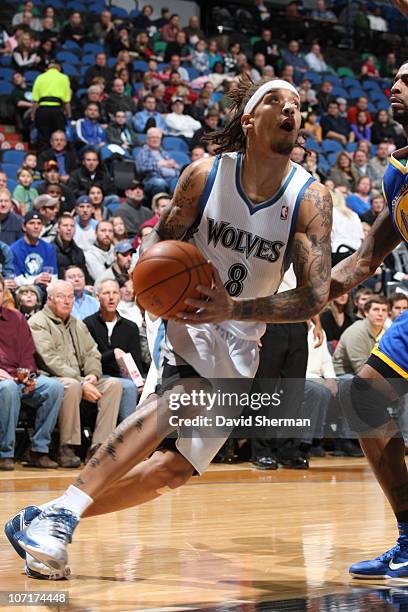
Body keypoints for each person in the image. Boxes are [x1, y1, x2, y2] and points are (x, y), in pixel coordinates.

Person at [7, 76, 334, 578]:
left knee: (177, 468)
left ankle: (46, 517)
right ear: (248, 118)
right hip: (190, 323)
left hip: (243, 340)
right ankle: (64, 513)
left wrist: (236, 311)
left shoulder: (309, 198)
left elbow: (315, 295)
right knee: (184, 398)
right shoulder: (204, 176)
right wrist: (154, 290)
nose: (290, 108)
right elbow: (158, 245)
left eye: (297, 102)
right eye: (275, 100)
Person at [0, 274, 63, 471]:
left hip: (17, 378)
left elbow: (28, 353)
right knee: (7, 388)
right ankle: (5, 453)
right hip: (4, 381)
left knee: (53, 387)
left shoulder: (16, 318)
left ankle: (38, 450)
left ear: (3, 293)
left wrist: (29, 376)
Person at [84, 278, 144, 422]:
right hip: (99, 375)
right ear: (97, 297)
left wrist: (140, 379)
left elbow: (135, 359)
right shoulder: (87, 324)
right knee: (129, 387)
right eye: (106, 293)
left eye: (115, 293)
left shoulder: (130, 327)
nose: (111, 297)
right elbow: (88, 359)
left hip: (124, 376)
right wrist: (113, 354)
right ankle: (128, 436)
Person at [11, 211, 58, 289]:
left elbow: (54, 276)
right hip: (24, 289)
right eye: (32, 223)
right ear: (24, 227)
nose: (36, 226)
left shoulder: (48, 248)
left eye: (39, 223)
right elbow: (16, 280)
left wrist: (49, 279)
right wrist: (35, 281)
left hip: (46, 288)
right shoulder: (14, 249)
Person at [32, 61, 71, 151]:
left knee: (42, 137)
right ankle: (58, 158)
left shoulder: (40, 77)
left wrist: (33, 114)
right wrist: (69, 114)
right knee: (59, 137)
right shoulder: (64, 78)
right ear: (59, 68)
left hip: (42, 110)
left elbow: (35, 100)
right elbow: (66, 100)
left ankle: (43, 159)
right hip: (57, 110)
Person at [134, 127, 180, 196]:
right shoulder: (143, 152)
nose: (155, 140)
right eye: (153, 137)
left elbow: (172, 166)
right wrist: (158, 164)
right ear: (147, 139)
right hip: (152, 179)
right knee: (160, 183)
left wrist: (175, 166)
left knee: (180, 183)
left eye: (157, 137)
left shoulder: (164, 153)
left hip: (170, 178)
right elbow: (141, 168)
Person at [53, 214, 89, 281]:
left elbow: (85, 276)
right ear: (58, 229)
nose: (69, 229)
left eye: (72, 226)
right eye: (65, 225)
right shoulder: (50, 251)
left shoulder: (78, 252)